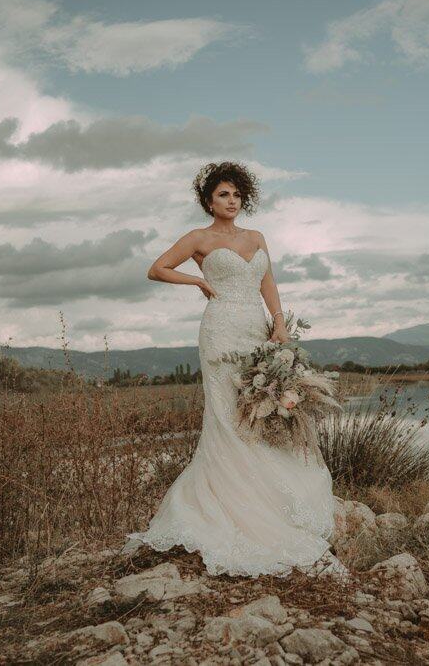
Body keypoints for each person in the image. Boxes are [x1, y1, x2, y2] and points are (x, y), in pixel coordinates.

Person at [123, 161, 348, 579]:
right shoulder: (198, 238)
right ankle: (229, 507)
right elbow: (156, 269)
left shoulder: (256, 237)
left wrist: (279, 322)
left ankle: (273, 499)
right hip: (221, 331)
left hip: (257, 330)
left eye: (237, 195)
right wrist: (197, 282)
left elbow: (268, 282)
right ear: (209, 199)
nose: (231, 201)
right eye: (223, 194)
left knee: (264, 412)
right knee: (228, 418)